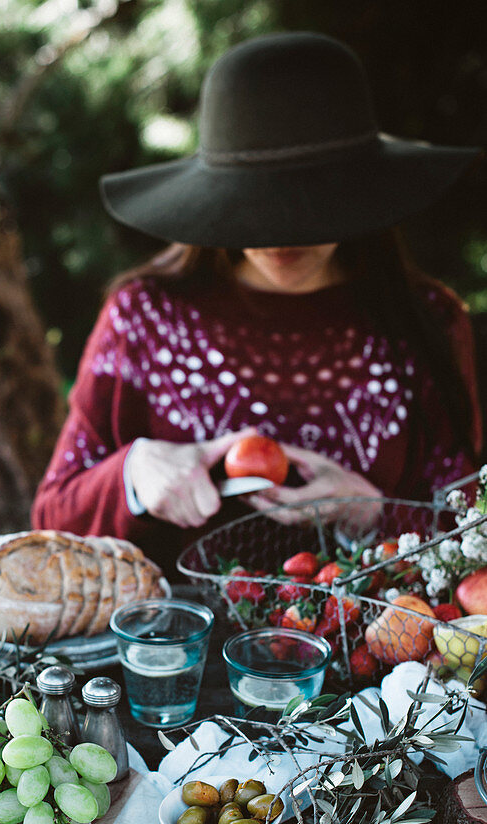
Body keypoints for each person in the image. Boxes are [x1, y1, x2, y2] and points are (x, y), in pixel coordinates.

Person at [32, 32, 483, 575]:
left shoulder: (428, 319)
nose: (280, 240)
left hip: (380, 654)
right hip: (173, 651)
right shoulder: (143, 318)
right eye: (257, 213)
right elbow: (52, 518)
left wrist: (372, 514)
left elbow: (468, 535)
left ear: (366, 194)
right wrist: (133, 475)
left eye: (313, 211)